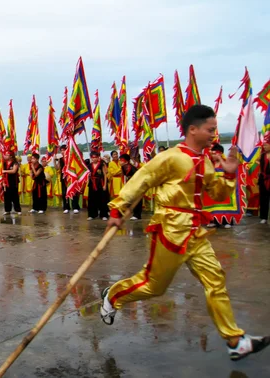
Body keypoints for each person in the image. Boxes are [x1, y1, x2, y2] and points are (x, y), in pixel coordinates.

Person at [100, 105, 270, 361]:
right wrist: (118, 208)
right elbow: (143, 178)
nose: (214, 134)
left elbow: (218, 194)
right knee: (154, 286)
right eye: (210, 130)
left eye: (215, 130)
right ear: (193, 129)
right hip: (170, 229)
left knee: (215, 280)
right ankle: (113, 296)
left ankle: (235, 340)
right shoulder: (171, 157)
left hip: (196, 233)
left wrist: (231, 175)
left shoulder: (206, 161)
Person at [119, 153, 142, 220]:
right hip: (131, 183)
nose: (120, 162)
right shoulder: (123, 167)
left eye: (121, 160)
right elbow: (124, 176)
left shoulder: (132, 168)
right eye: (119, 160)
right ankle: (132, 212)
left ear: (126, 162)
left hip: (137, 183)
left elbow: (137, 177)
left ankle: (137, 215)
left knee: (137, 199)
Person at [87, 151, 109, 220]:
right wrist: (89, 176)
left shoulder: (101, 164)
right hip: (92, 183)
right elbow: (87, 174)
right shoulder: (89, 165)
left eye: (95, 157)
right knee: (92, 199)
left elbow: (105, 175)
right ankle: (92, 214)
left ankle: (104, 214)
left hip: (100, 183)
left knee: (102, 199)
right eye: (93, 157)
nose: (94, 159)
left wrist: (105, 185)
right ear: (91, 158)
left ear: (98, 157)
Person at [1, 150, 21, 215]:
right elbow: (3, 173)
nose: (5, 156)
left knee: (15, 196)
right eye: (5, 155)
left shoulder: (15, 163)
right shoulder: (4, 163)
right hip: (6, 182)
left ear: (11, 156)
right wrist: (3, 181)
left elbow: (14, 171)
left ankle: (18, 209)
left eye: (7, 155)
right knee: (6, 196)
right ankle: (7, 210)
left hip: (13, 182)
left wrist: (5, 171)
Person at [258, 135, 270, 224]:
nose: (264, 147)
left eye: (266, 145)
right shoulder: (262, 155)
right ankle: (264, 217)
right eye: (264, 145)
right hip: (263, 179)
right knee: (263, 198)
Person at [56, 145, 71, 213]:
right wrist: (54, 160)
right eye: (61, 150)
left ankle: (75, 206)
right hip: (63, 177)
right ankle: (66, 207)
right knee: (64, 192)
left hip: (70, 176)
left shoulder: (70, 158)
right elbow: (57, 168)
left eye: (63, 150)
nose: (62, 152)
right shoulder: (60, 159)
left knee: (72, 192)